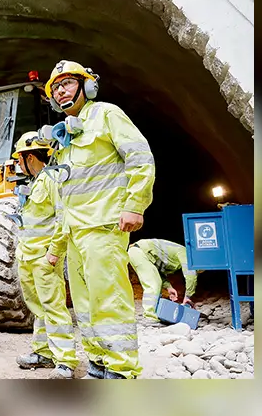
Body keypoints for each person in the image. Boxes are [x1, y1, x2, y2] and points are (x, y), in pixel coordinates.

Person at [46, 60, 156, 379]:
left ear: (86, 86)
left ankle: (122, 368)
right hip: (76, 232)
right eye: (56, 87)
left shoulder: (107, 114)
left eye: (67, 83)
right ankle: (99, 360)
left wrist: (135, 204)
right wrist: (60, 241)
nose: (61, 90)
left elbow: (139, 157)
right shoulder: (65, 138)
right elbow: (67, 193)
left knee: (109, 297)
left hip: (104, 226)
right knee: (84, 303)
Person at [11, 131, 79, 379]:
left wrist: (54, 253)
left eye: (19, 159)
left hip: (44, 258)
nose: (18, 164)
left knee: (53, 307)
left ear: (30, 157)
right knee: (38, 308)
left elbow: (63, 219)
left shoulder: (52, 180)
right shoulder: (36, 182)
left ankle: (65, 361)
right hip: (27, 257)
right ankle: (43, 353)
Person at [127, 239, 200, 320]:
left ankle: (154, 313)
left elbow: (157, 272)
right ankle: (150, 316)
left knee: (156, 282)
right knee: (153, 284)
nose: (196, 272)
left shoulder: (176, 256)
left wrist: (169, 287)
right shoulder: (185, 253)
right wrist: (188, 297)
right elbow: (190, 275)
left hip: (139, 253)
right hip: (139, 252)